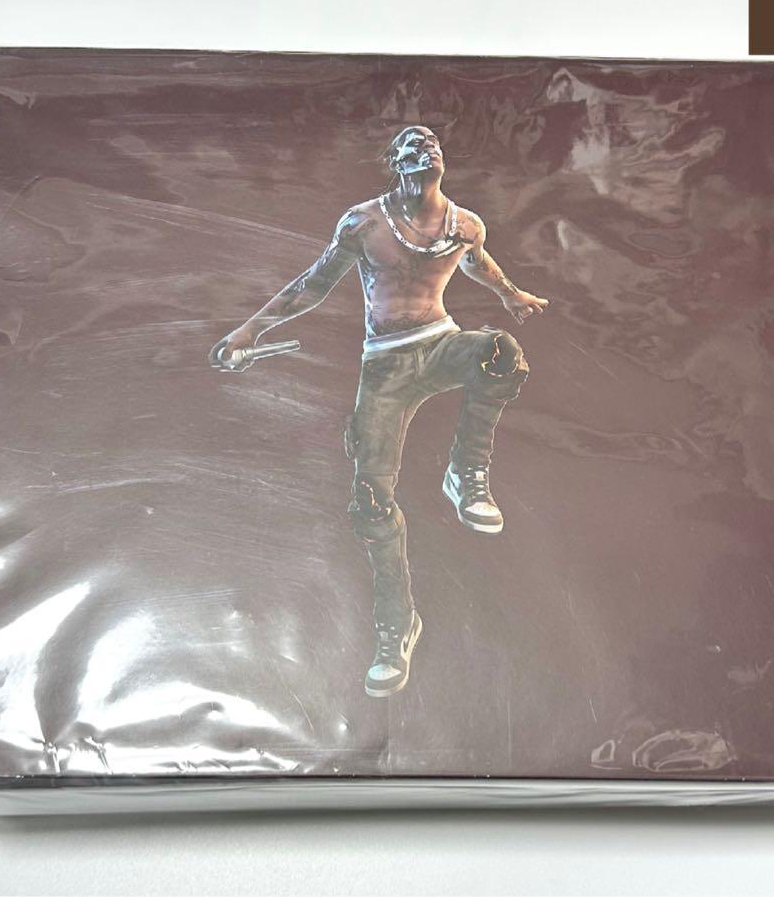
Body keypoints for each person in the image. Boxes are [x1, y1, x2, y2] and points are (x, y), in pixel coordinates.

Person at [211, 126, 548, 697]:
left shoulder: (465, 224)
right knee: (370, 501)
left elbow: (477, 262)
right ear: (395, 163)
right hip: (385, 367)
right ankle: (398, 625)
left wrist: (510, 293)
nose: (425, 148)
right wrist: (249, 331)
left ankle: (465, 473)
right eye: (412, 144)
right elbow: (312, 286)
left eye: (433, 142)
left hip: (439, 343)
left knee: (500, 353)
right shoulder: (364, 223)